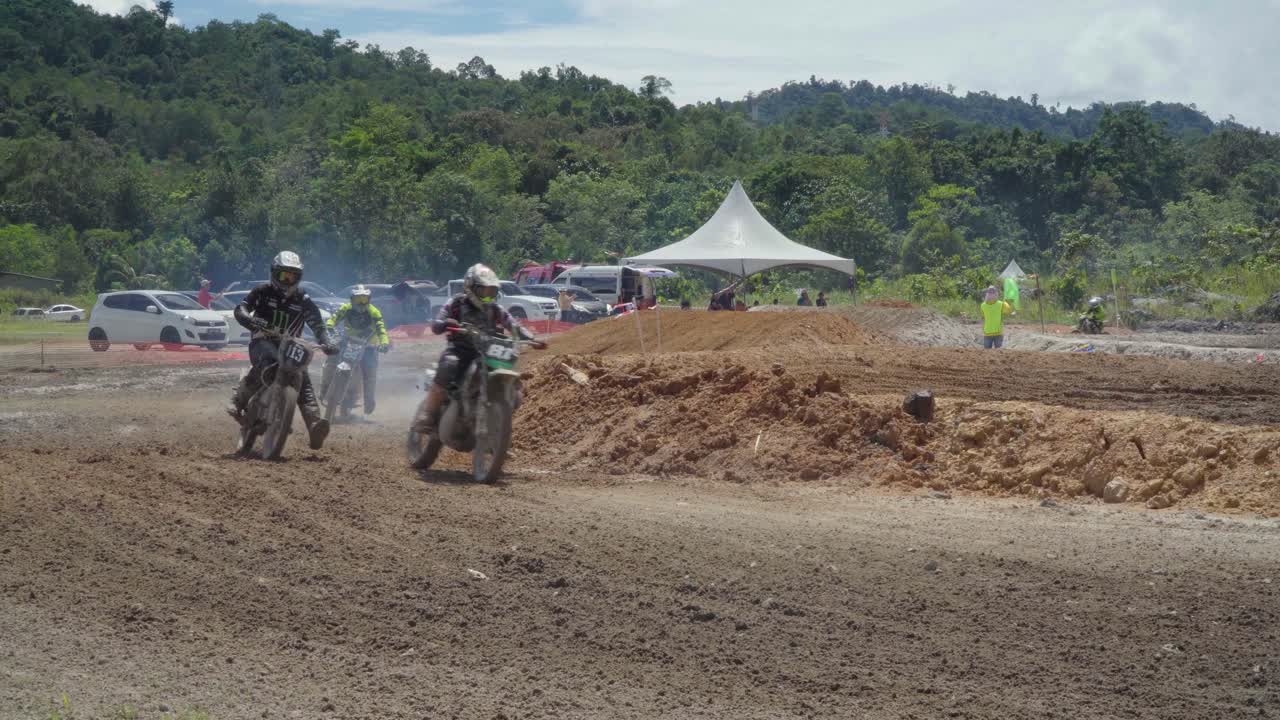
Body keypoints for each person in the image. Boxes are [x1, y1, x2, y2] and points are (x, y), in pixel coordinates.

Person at [414, 264, 546, 436]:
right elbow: (438, 321)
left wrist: (530, 338)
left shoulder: (495, 309)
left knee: (515, 386)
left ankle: (497, 435)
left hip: (488, 352)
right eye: (484, 291)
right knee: (449, 364)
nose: (487, 296)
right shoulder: (456, 303)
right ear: (470, 287)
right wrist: (445, 323)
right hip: (460, 351)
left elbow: (513, 324)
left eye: (491, 292)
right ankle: (428, 414)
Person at [227, 251, 338, 449]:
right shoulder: (262, 291)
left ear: (299, 278)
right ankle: (238, 401)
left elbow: (318, 325)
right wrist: (251, 320)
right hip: (262, 341)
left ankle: (314, 425)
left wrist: (327, 342)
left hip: (291, 345)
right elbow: (241, 308)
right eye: (283, 275)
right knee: (267, 362)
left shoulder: (303, 299)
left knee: (302, 376)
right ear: (274, 273)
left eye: (292, 276)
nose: (287, 280)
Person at [319, 284, 390, 417]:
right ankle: (324, 388)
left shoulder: (374, 312)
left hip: (368, 346)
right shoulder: (345, 309)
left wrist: (384, 343)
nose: (362, 303)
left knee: (370, 370)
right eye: (358, 300)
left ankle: (369, 401)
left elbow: (381, 329)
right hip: (347, 342)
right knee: (331, 359)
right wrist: (329, 327)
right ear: (352, 300)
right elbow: (333, 319)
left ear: (369, 300)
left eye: (365, 299)